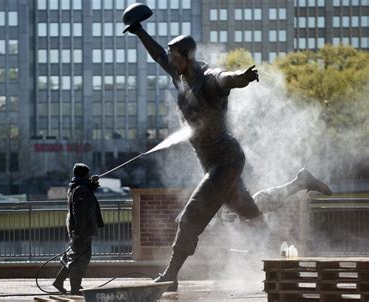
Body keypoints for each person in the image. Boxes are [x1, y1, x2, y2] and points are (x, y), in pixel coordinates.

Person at [125, 9, 332, 292]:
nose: (171, 59)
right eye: (172, 56)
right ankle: (300, 182)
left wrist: (241, 77)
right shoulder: (180, 76)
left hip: (227, 160)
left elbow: (224, 78)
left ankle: (171, 275)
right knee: (250, 210)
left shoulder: (207, 79)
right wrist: (139, 32)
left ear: (187, 56)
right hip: (213, 163)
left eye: (176, 55)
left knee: (191, 215)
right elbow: (159, 55)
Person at [52, 163, 104, 295]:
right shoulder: (80, 189)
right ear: (84, 175)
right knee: (80, 260)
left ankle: (60, 282)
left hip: (79, 230)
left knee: (74, 257)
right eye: (88, 174)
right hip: (82, 230)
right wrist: (79, 232)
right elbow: (79, 213)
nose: (89, 175)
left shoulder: (77, 185)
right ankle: (75, 288)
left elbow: (87, 192)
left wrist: (93, 183)